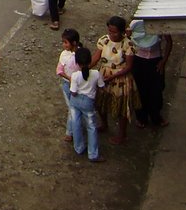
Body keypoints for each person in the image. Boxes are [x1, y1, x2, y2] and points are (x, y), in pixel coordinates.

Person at [92, 16, 140, 145]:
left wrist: (113, 76)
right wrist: (83, 68)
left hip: (120, 79)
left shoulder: (128, 44)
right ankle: (104, 124)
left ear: (122, 32)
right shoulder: (104, 40)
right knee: (100, 103)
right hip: (104, 76)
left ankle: (122, 134)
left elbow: (129, 67)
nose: (111, 34)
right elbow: (96, 58)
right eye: (110, 31)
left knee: (121, 108)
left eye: (114, 32)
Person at [129, 19, 172, 129]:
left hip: (155, 61)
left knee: (156, 90)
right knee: (139, 89)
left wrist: (163, 62)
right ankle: (141, 117)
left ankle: (156, 117)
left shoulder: (160, 24)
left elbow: (169, 42)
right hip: (138, 60)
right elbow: (128, 41)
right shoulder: (135, 24)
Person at [70, 47, 106, 162]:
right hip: (88, 102)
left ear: (77, 63)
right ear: (90, 61)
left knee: (76, 123)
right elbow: (101, 87)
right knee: (91, 127)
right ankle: (93, 154)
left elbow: (73, 92)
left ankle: (79, 148)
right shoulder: (96, 74)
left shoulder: (75, 76)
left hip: (75, 102)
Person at [57, 28, 82, 143]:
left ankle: (72, 131)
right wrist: (70, 78)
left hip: (79, 85)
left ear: (74, 43)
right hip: (68, 84)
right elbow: (59, 71)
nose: (64, 45)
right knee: (72, 108)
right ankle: (70, 132)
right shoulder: (64, 55)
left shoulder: (80, 53)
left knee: (74, 108)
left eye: (65, 42)